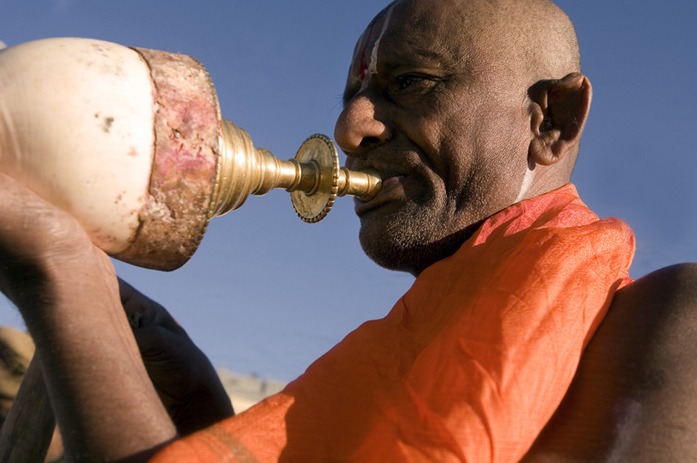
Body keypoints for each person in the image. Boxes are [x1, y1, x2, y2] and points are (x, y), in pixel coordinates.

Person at [1, 0, 679, 461]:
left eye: (409, 83)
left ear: (550, 120)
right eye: (351, 98)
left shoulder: (673, 326)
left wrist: (62, 275)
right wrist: (201, 413)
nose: (351, 130)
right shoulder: (400, 348)